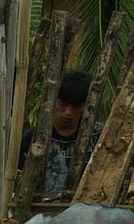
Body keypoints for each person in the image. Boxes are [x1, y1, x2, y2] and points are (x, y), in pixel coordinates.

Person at [24, 70, 97, 202]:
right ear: (53, 101)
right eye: (63, 104)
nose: (68, 112)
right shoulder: (33, 137)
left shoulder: (97, 136)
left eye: (76, 106)